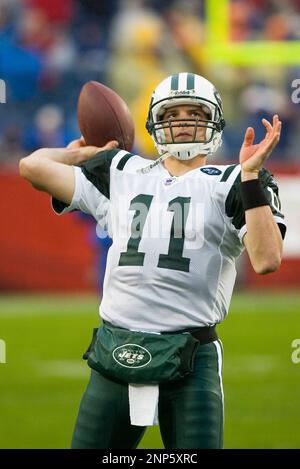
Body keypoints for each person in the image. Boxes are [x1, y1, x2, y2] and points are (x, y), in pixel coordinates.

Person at [19, 73, 286, 449]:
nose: (183, 121)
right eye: (173, 113)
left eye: (195, 112)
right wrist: (77, 154)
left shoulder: (232, 180)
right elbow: (31, 167)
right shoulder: (122, 171)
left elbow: (267, 259)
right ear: (155, 122)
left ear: (215, 120)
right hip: (115, 349)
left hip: (191, 356)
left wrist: (252, 177)